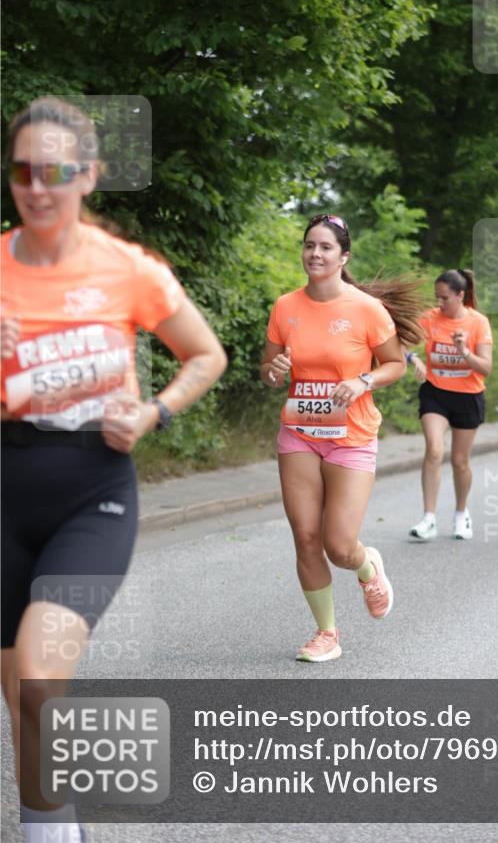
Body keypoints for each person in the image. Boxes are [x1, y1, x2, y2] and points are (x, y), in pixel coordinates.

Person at [1, 98, 227, 843]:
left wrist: (154, 411)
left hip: (92, 489)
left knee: (38, 677)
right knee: (22, 698)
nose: (39, 187)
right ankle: (49, 827)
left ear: (90, 176)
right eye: (24, 170)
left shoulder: (128, 270)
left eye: (57, 171)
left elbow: (206, 354)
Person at [260, 214, 422, 663]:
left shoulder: (366, 309)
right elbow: (269, 369)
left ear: (343, 256)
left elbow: (396, 363)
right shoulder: (285, 307)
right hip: (299, 432)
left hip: (350, 436)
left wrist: (364, 380)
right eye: (310, 245)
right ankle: (326, 633)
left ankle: (367, 565)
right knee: (306, 536)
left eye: (326, 247)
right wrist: (274, 373)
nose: (315, 253)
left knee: (338, 543)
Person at [406, 269, 493, 542]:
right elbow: (397, 341)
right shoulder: (430, 319)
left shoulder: (478, 323)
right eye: (437, 297)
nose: (439, 303)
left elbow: (486, 368)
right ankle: (428, 518)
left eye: (445, 298)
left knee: (459, 461)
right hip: (436, 393)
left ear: (460, 296)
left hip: (468, 396)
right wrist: (413, 358)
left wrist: (464, 351)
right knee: (434, 449)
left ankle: (461, 513)